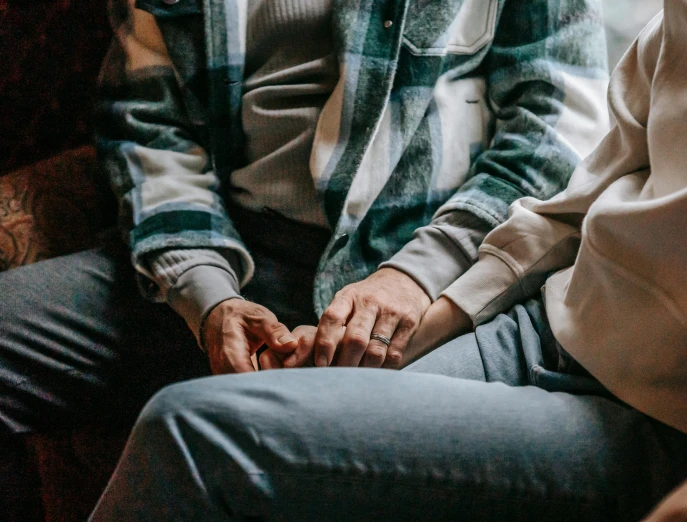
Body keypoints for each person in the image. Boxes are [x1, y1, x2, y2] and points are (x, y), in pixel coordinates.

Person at [88, 0, 687, 520]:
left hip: (682, 413)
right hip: (542, 327)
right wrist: (426, 320)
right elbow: (577, 203)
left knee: (191, 430)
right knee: (261, 415)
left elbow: (550, 128)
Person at [0, 0, 610, 516]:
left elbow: (555, 131)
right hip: (229, 255)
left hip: (432, 272)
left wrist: (415, 277)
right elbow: (148, 126)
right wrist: (207, 296)